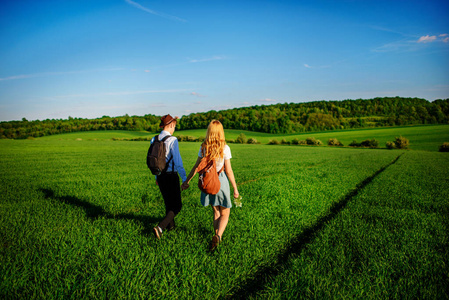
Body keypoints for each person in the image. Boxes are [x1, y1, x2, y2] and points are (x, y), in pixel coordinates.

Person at [183, 120, 239, 251]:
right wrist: (235, 188)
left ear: (209, 131)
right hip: (221, 182)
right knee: (225, 212)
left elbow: (196, 167)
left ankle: (216, 235)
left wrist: (187, 181)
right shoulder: (225, 148)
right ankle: (218, 236)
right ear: (221, 132)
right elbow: (229, 171)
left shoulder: (203, 147)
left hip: (208, 182)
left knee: (216, 212)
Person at [152, 114, 188, 240]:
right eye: (174, 126)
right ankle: (160, 227)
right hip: (171, 176)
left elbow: (154, 161)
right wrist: (185, 179)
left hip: (160, 176)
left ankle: (171, 228)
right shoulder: (173, 140)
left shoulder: (154, 139)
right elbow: (178, 162)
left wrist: (156, 178)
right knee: (177, 206)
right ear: (171, 125)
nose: (174, 129)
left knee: (168, 204)